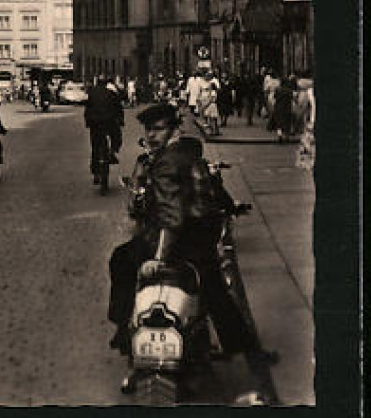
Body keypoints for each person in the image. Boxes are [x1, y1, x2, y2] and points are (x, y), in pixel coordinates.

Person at [107, 102, 263, 373]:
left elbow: (172, 215)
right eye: (148, 130)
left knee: (121, 259)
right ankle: (241, 344)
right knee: (213, 286)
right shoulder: (190, 153)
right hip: (203, 239)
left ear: (172, 129)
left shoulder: (165, 163)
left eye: (158, 129)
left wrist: (158, 258)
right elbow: (210, 194)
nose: (152, 136)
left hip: (179, 241)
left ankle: (124, 329)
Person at [84, 77, 124, 182]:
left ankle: (95, 172)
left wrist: (88, 122)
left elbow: (87, 108)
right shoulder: (111, 93)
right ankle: (113, 152)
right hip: (108, 121)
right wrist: (120, 120)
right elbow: (118, 107)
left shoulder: (91, 93)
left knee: (95, 146)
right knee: (116, 135)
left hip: (95, 123)